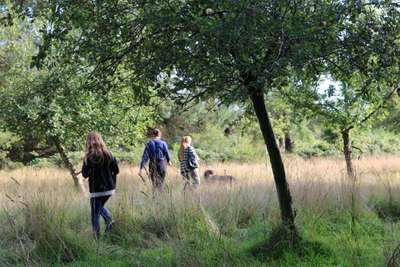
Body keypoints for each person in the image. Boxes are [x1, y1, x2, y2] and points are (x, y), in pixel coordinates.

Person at [81, 132, 119, 239]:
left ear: (88, 142)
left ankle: (96, 241)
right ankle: (110, 221)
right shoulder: (109, 154)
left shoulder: (88, 157)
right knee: (99, 208)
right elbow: (116, 170)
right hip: (109, 189)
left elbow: (84, 174)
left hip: (96, 190)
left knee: (95, 216)